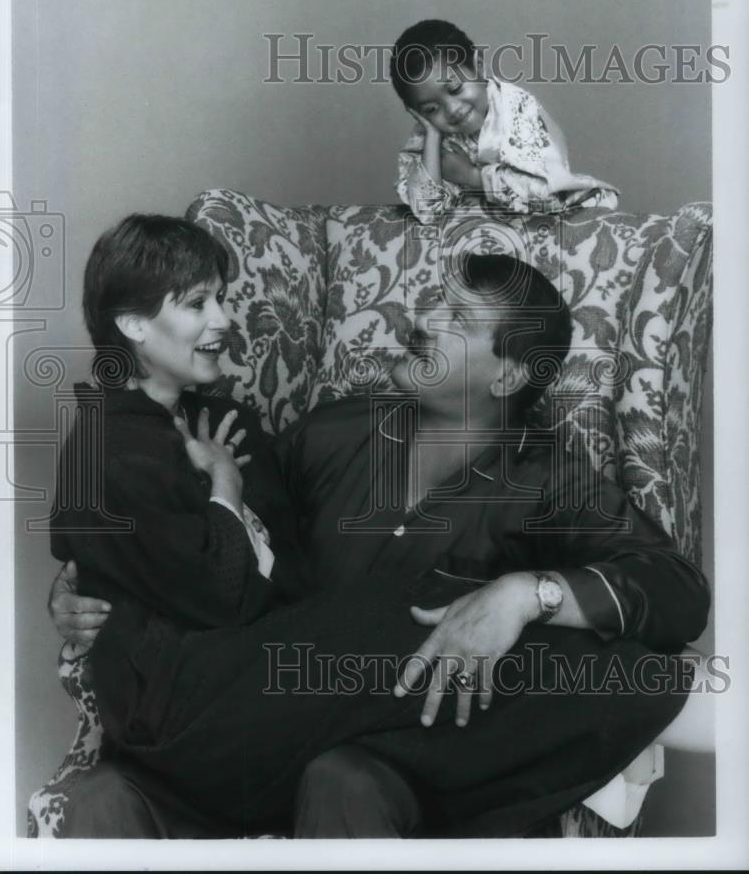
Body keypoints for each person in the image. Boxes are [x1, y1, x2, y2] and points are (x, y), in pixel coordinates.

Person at [48, 216, 709, 838]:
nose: (419, 321)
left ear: (507, 372)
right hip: (246, 721)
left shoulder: (551, 481)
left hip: (388, 758)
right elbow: (216, 543)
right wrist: (90, 579)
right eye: (430, 303)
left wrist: (523, 594)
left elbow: (677, 589)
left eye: (454, 320)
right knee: (94, 799)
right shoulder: (335, 432)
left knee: (342, 777)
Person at [391, 19, 619, 223]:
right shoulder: (432, 132)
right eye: (431, 109)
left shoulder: (517, 108)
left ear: (478, 65)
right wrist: (431, 136)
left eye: (455, 88)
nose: (451, 110)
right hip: (477, 238)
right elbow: (427, 213)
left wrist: (472, 177)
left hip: (541, 224)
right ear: (416, 112)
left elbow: (547, 195)